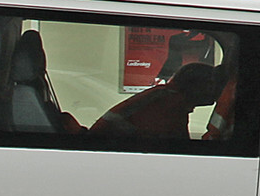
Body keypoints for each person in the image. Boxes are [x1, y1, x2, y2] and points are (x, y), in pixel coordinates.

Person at [91, 59, 228, 142]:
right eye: (212, 86)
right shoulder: (173, 104)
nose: (217, 93)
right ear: (197, 85)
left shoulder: (166, 94)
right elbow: (179, 148)